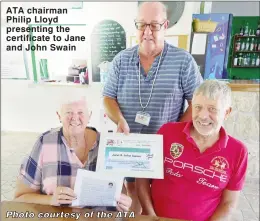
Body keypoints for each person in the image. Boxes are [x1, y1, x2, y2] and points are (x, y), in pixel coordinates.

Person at [102, 1, 203, 213]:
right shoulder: (121, 60)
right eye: (142, 25)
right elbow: (108, 97)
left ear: (165, 25)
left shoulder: (183, 61)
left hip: (166, 148)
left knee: (161, 196)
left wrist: (175, 132)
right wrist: (119, 119)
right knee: (132, 192)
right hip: (130, 146)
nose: (147, 31)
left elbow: (199, 102)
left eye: (154, 26)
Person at [136, 80, 248, 221]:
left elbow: (229, 203)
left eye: (212, 109)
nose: (202, 116)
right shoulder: (167, 132)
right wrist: (151, 217)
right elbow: (142, 178)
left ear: (227, 112)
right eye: (198, 107)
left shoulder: (238, 151)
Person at [14, 95, 132, 212]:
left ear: (89, 116)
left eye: (80, 112)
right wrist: (50, 200)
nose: (75, 118)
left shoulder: (108, 145)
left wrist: (124, 203)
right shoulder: (45, 142)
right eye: (69, 112)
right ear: (59, 116)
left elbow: (120, 194)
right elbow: (20, 197)